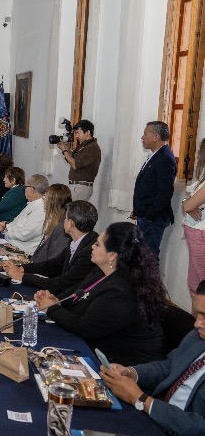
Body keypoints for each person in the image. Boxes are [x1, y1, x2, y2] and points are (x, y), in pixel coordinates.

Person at [35, 222, 167, 366]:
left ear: (112, 255)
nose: (92, 246)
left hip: (123, 366)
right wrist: (55, 300)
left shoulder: (120, 290)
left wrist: (52, 307)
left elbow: (84, 327)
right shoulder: (102, 273)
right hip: (101, 347)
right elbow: (76, 293)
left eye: (97, 245)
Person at [101, 280, 205, 435]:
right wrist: (131, 372)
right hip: (155, 417)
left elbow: (199, 427)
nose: (197, 323)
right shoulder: (196, 337)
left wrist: (141, 399)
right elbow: (169, 366)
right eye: (198, 314)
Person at [4, 200, 99, 296]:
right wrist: (23, 268)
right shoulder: (79, 240)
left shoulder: (88, 251)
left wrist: (22, 276)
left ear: (71, 223)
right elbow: (54, 265)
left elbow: (61, 284)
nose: (64, 221)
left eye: (65, 218)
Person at [132, 121, 177, 258]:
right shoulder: (156, 155)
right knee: (142, 255)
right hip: (145, 214)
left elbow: (165, 192)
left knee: (149, 256)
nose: (142, 137)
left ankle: (151, 275)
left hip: (153, 219)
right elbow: (148, 187)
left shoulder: (165, 158)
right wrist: (138, 211)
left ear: (156, 136)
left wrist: (149, 216)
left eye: (145, 134)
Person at [0, 174, 48, 254]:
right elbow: (16, 223)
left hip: (20, 251)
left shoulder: (41, 210)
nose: (24, 190)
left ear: (31, 190)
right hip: (11, 242)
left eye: (25, 187)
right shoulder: (32, 204)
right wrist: (5, 226)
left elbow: (24, 234)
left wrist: (7, 229)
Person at [183, 138, 205, 306]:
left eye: (200, 151)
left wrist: (188, 204)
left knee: (198, 285)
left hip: (200, 234)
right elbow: (189, 201)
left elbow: (188, 205)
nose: (197, 155)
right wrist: (188, 203)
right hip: (197, 232)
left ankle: (199, 319)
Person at [26, 184, 73, 264]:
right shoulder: (54, 221)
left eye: (45, 197)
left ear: (52, 202)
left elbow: (53, 261)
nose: (43, 199)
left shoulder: (62, 228)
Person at [58, 119, 101, 201]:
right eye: (75, 133)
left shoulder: (92, 148)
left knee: (70, 208)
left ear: (88, 132)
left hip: (81, 187)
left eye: (78, 133)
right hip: (77, 186)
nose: (76, 136)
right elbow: (72, 158)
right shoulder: (84, 145)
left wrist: (64, 150)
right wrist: (67, 147)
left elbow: (75, 165)